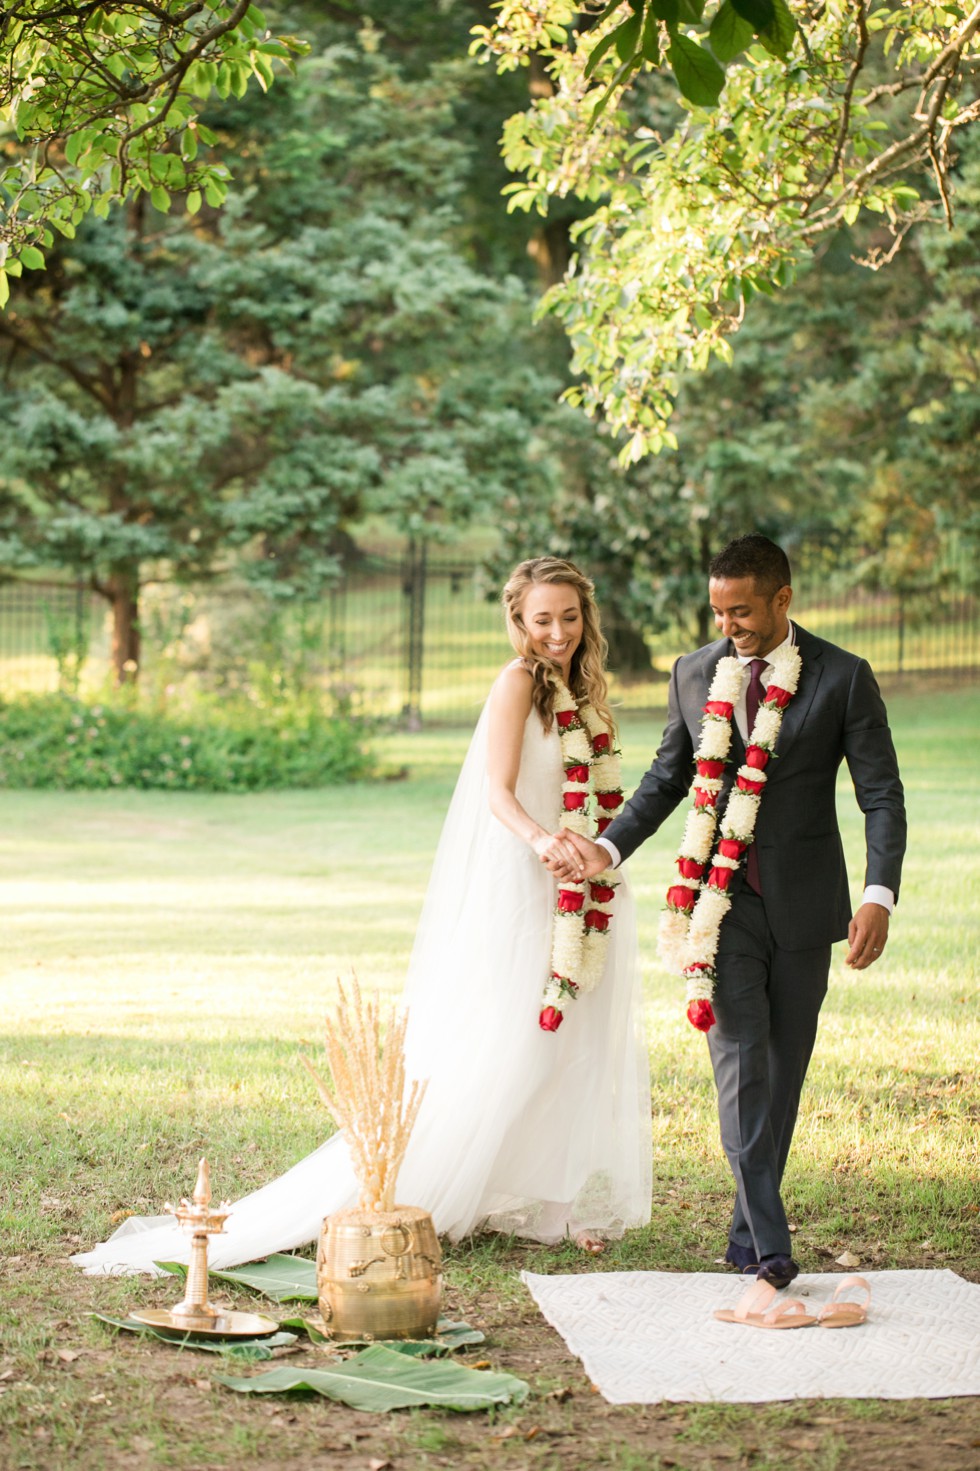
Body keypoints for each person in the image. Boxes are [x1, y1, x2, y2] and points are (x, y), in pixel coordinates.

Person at [73, 557, 652, 1275]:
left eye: (569, 616)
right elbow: (496, 793)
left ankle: (554, 1203)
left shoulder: (584, 693)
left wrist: (591, 850)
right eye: (543, 618)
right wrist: (542, 841)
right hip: (528, 881)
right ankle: (439, 1181)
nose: (558, 630)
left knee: (572, 1043)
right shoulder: (516, 684)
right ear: (518, 621)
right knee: (516, 1038)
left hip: (583, 880)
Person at [567, 535, 906, 1290]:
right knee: (742, 1062)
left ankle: (744, 1230)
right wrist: (608, 849)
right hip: (715, 909)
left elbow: (880, 792)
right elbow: (666, 777)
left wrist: (878, 893)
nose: (729, 625)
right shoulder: (693, 673)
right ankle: (773, 1247)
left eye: (743, 610)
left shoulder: (844, 678)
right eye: (719, 610)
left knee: (781, 1073)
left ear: (783, 599)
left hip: (804, 904)